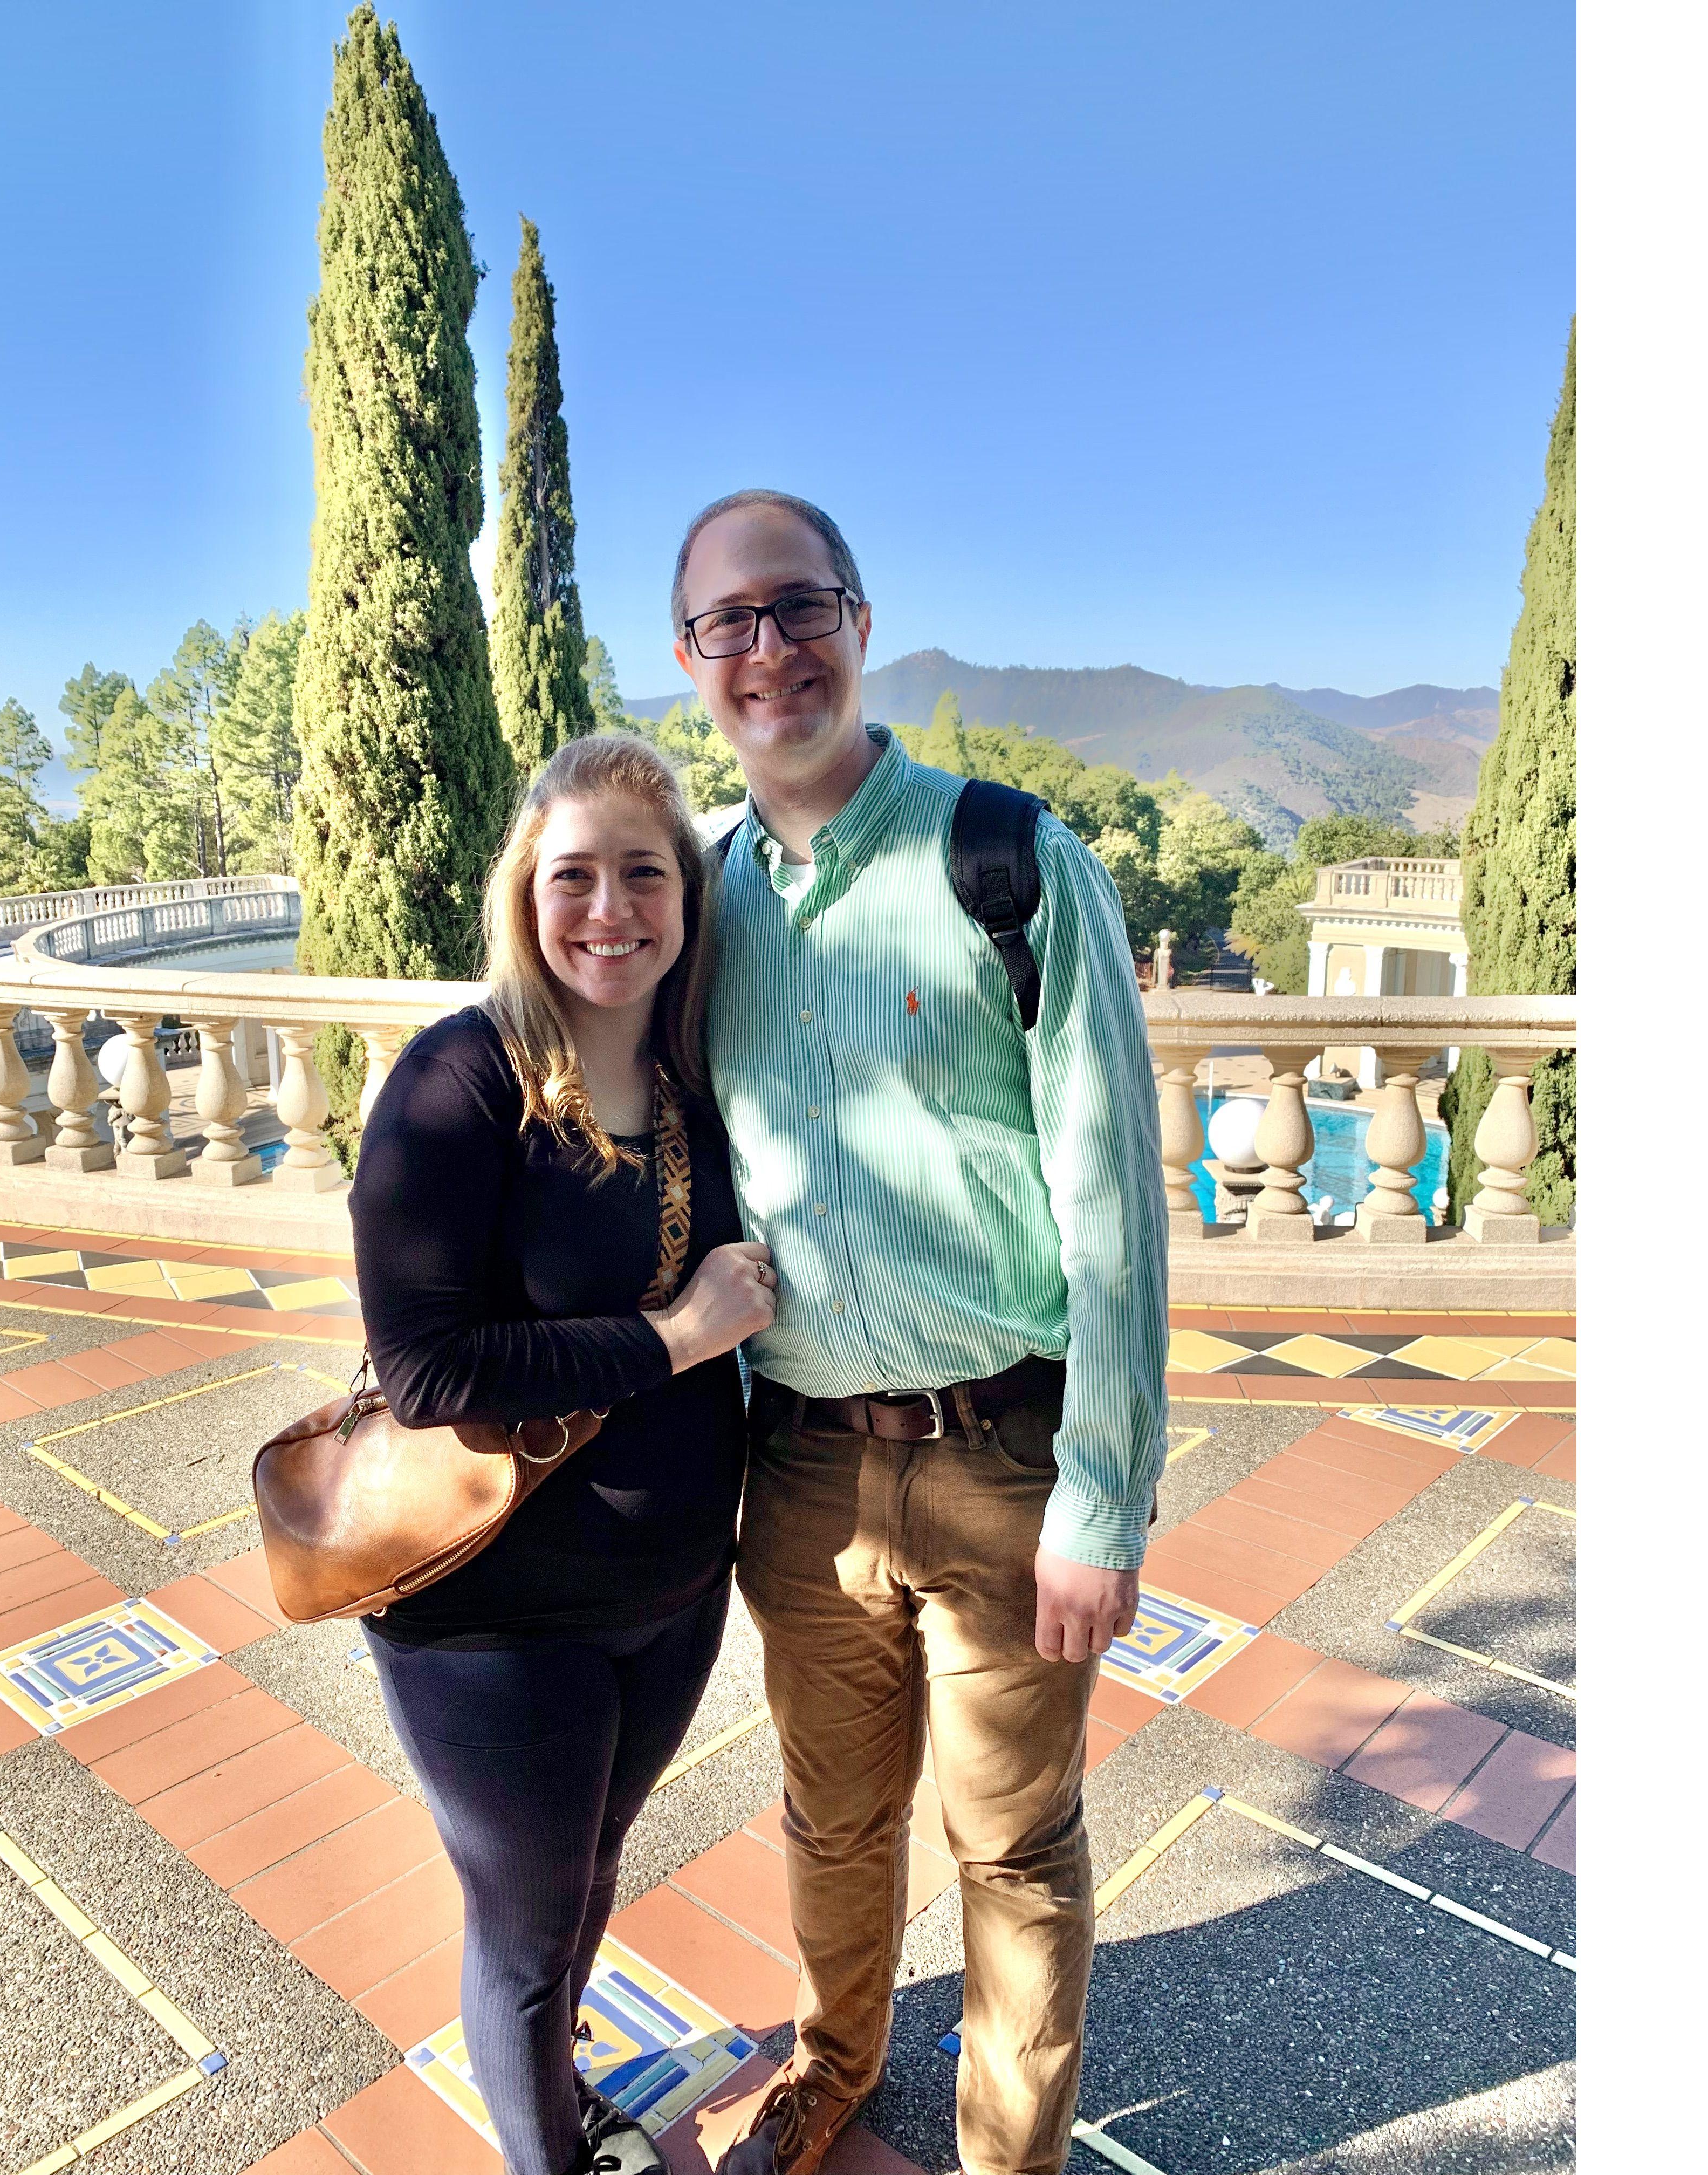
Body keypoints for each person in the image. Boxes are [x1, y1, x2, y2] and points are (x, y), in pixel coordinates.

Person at [672, 492, 1170, 2175]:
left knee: (1015, 1849)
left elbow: (1113, 1206)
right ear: (692, 662)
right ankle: (836, 2061)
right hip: (802, 1467)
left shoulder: (1008, 860)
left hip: (1006, 1457)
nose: (768, 650)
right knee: (832, 1819)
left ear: (859, 622)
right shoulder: (696, 904)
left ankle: (1004, 2158)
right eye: (727, 623)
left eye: (796, 607)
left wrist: (1104, 1500)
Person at [349, 733, 778, 2175]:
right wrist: (672, 1337)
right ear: (526, 893)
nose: (610, 911)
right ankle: (549, 2148)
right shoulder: (461, 1082)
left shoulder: (697, 1079)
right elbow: (424, 1370)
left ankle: (560, 2092)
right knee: (527, 1932)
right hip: (490, 1618)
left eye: (643, 875)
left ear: (687, 899)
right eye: (574, 875)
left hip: (667, 1601)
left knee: (589, 1874)